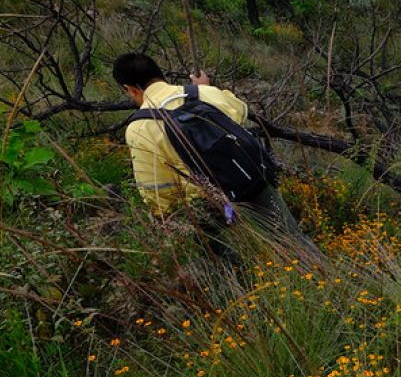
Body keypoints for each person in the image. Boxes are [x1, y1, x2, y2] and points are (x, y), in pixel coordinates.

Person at [113, 53, 314, 254]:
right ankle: (318, 274)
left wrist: (165, 217)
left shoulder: (138, 128)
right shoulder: (202, 93)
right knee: (293, 243)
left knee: (225, 264)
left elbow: (155, 188)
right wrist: (206, 89)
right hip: (248, 180)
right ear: (160, 74)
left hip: (206, 205)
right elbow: (241, 112)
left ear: (129, 89)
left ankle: (240, 281)